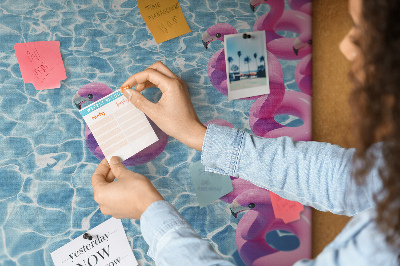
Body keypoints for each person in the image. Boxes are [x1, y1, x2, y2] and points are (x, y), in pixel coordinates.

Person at [91, 0, 400, 264]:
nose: (344, 46)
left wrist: (150, 212)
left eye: (367, 32)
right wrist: (197, 134)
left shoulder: (383, 248)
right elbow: (350, 178)